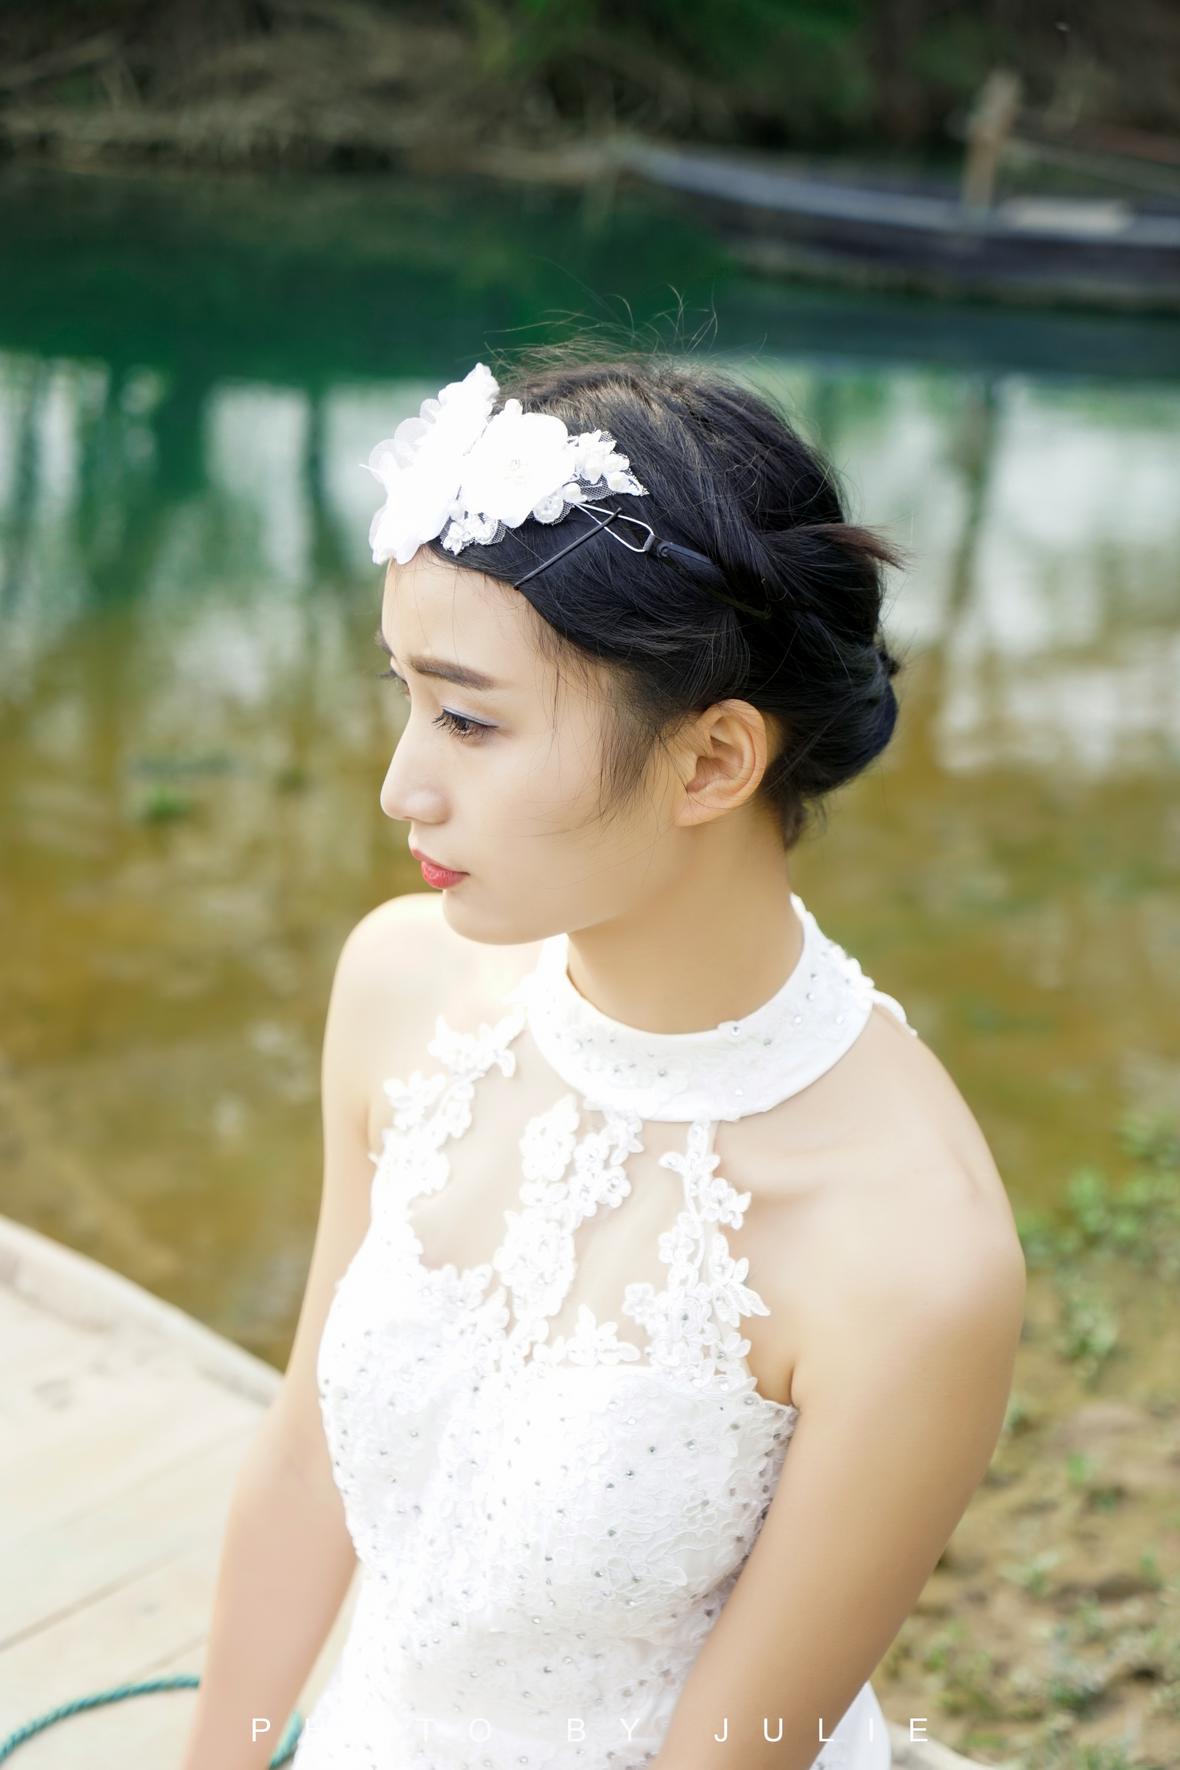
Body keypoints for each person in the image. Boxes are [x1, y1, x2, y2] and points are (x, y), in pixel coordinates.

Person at [180, 350, 1026, 1770]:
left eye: (469, 717)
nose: (400, 785)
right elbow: (307, 1458)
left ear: (711, 763)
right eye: (404, 693)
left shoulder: (913, 1253)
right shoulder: (401, 987)